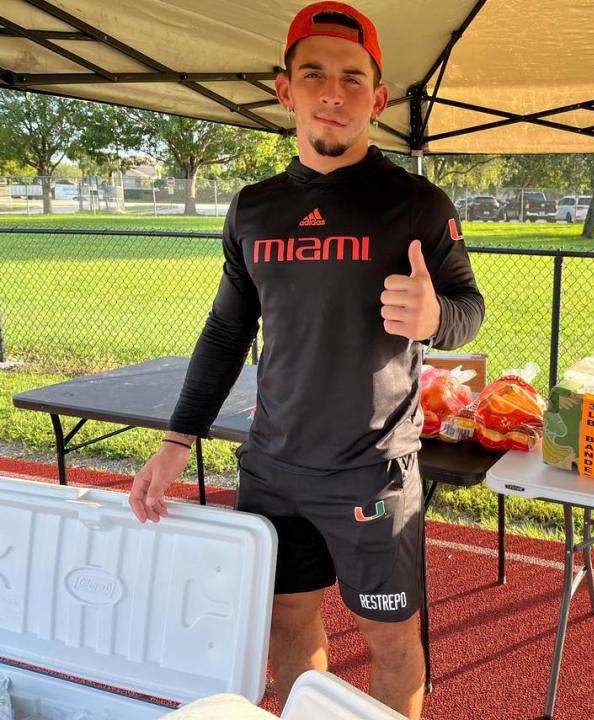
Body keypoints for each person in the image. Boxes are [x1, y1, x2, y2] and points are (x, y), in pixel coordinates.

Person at [127, 4, 484, 718]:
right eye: (313, 73)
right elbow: (227, 332)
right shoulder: (254, 209)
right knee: (287, 625)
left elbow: (468, 309)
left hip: (372, 471)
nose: (333, 91)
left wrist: (436, 317)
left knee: (389, 639)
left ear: (377, 98)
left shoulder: (415, 203)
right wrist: (174, 444)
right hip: (274, 467)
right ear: (285, 89)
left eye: (353, 78)